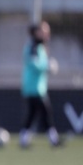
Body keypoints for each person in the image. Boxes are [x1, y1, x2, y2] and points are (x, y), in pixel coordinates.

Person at [19, 20, 62, 148]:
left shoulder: (40, 47)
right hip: (33, 88)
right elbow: (34, 64)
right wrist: (47, 65)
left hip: (38, 87)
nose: (47, 33)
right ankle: (53, 140)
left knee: (33, 114)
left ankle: (24, 140)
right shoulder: (33, 46)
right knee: (45, 112)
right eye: (44, 31)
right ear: (37, 32)